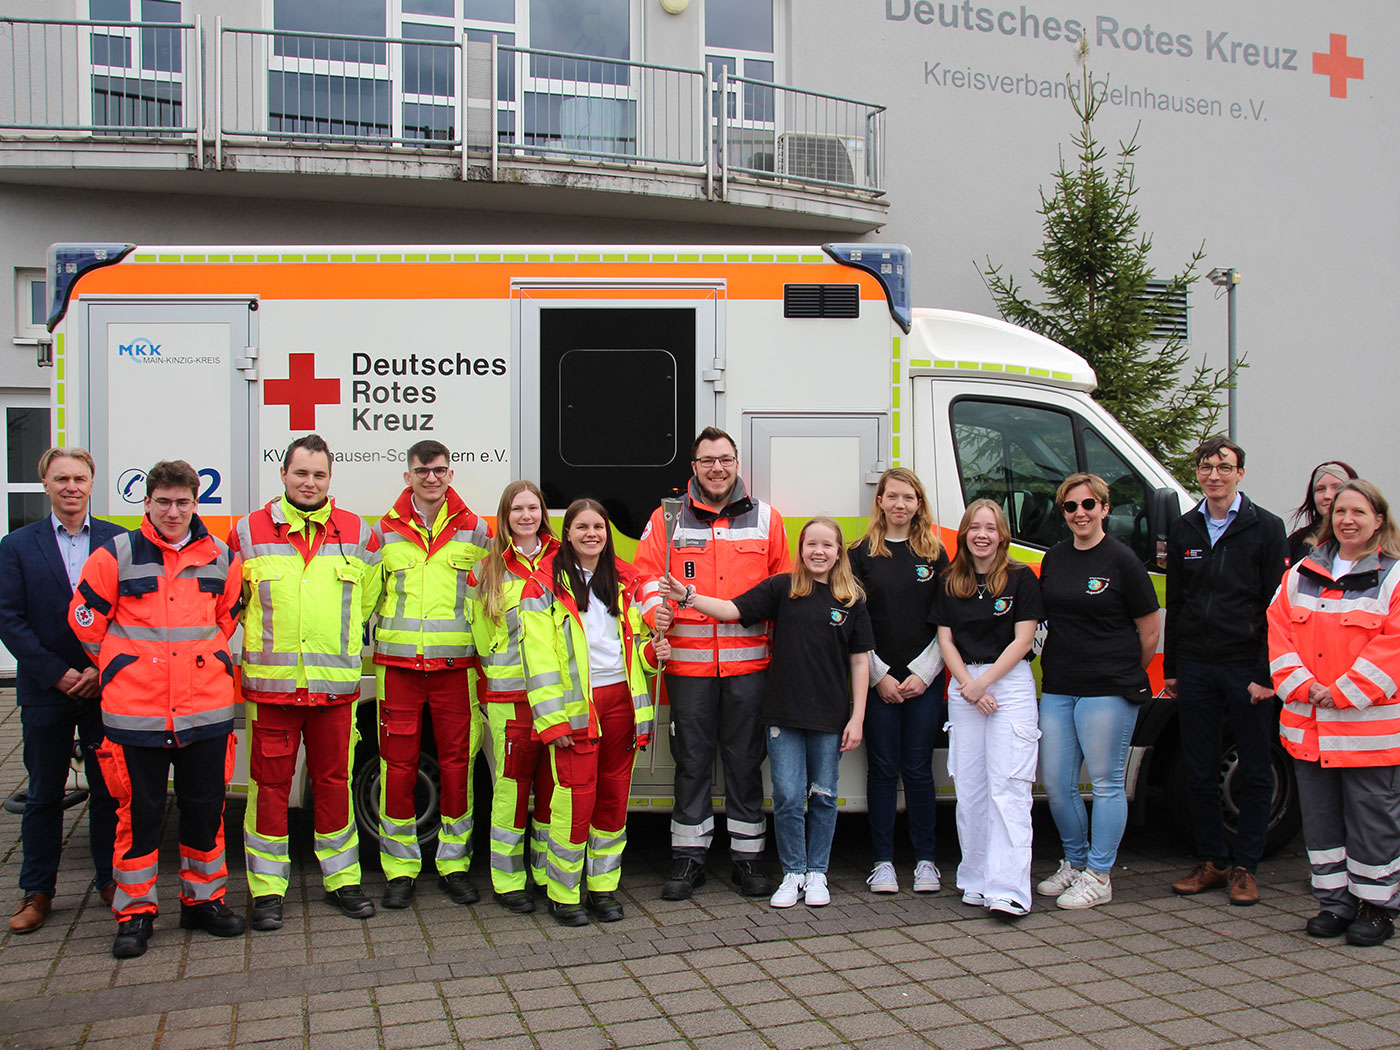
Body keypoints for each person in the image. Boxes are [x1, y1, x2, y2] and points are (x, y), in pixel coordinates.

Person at [69, 460, 244, 959]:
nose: (173, 511)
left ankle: (203, 903)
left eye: (182, 502)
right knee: (139, 817)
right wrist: (124, 665)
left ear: (196, 504)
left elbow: (226, 619)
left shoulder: (221, 558)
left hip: (204, 713)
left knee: (205, 813)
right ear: (146, 503)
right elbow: (85, 623)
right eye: (163, 502)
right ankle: (136, 913)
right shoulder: (115, 555)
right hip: (136, 715)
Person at [669, 517, 872, 908]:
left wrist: (857, 717)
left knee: (825, 796)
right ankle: (793, 872)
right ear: (800, 549)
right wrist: (688, 596)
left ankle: (818, 874)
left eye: (827, 545)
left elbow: (860, 663)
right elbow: (730, 610)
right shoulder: (783, 588)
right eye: (811, 544)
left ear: (839, 552)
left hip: (829, 718)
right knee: (788, 796)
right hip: (782, 715)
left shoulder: (851, 599)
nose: (818, 551)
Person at [229, 434, 382, 931]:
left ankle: (342, 882)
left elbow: (367, 602)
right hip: (272, 691)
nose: (310, 483)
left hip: (334, 690)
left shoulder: (358, 532)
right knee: (269, 790)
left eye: (319, 474)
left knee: (333, 785)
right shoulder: (247, 532)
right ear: (283, 474)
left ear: (330, 478)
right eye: (301, 473)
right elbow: (234, 602)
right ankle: (268, 891)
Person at [634, 427, 791, 901]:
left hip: (750, 669)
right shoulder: (667, 519)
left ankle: (747, 861)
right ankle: (688, 859)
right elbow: (644, 576)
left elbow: (784, 588)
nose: (717, 468)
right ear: (694, 468)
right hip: (688, 669)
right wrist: (650, 611)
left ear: (737, 463)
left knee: (745, 763)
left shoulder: (767, 519)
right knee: (692, 762)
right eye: (708, 461)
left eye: (725, 459)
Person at [1268, 479, 1400, 947]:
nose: (1348, 520)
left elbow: (1393, 646)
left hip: (1367, 732)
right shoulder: (1300, 572)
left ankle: (1376, 907)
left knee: (1372, 819)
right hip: (1310, 725)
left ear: (1378, 520)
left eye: (1359, 513)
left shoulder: (1393, 577)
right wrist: (1305, 687)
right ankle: (1334, 903)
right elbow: (1279, 633)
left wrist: (1340, 690)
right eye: (1341, 512)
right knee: (1322, 822)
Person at [521, 499, 665, 925]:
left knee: (613, 800)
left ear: (607, 532)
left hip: (621, 700)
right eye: (581, 526)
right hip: (575, 706)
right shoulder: (543, 582)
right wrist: (552, 720)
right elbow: (538, 657)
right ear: (566, 533)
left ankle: (603, 888)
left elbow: (638, 646)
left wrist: (653, 653)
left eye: (598, 527)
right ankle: (564, 892)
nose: (591, 534)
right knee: (574, 801)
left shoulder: (625, 578)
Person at [0, 447, 122, 934]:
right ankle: (38, 892)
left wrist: (98, 667)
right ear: (45, 485)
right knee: (44, 795)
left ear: (92, 484)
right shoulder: (17, 545)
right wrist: (57, 673)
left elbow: (130, 615)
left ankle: (111, 880)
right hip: (47, 689)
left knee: (110, 791)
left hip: (105, 686)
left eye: (79, 478)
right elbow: (10, 618)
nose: (71, 487)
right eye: (61, 479)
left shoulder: (118, 541)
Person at [1164, 435, 1288, 906]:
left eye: (1224, 466)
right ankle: (1214, 861)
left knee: (1256, 769)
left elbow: (1276, 607)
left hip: (1246, 667)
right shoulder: (1184, 528)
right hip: (1196, 664)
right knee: (1198, 771)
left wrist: (1266, 673)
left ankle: (1246, 868)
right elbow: (1176, 601)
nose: (1214, 474)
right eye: (1205, 466)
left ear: (1240, 473)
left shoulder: (1266, 527)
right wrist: (1173, 667)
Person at [371, 440, 492, 909]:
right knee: (396, 769)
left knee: (457, 768)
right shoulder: (382, 532)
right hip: (397, 670)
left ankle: (454, 865)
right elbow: (364, 599)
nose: (431, 478)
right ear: (408, 476)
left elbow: (491, 601)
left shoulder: (477, 531)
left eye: (439, 470)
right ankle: (400, 870)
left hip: (455, 670)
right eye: (422, 471)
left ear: (450, 473)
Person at [1036, 474, 1160, 910]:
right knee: (1056, 782)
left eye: (1089, 504)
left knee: (1106, 784)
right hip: (1059, 686)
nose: (1080, 513)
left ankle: (1100, 875)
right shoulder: (1054, 558)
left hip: (1108, 688)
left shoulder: (1122, 560)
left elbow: (1149, 629)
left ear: (1105, 508)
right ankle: (1074, 862)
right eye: (1070, 507)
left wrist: (1121, 671)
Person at [932, 499, 1043, 919]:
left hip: (1007, 686)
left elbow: (1023, 641)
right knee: (972, 790)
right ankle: (976, 880)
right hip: (965, 687)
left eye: (990, 528)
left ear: (1002, 535)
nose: (982, 535)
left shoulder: (1020, 578)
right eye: (974, 527)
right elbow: (946, 641)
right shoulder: (950, 580)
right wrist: (969, 685)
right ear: (963, 534)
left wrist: (983, 684)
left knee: (1009, 789)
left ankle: (1010, 889)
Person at [848, 467, 948, 895]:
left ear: (918, 504)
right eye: (893, 497)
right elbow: (854, 622)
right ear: (880, 502)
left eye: (909, 498)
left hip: (924, 684)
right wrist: (880, 675)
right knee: (883, 769)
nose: (901, 505)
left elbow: (947, 621)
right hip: (878, 684)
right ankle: (883, 861)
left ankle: (926, 861)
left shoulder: (935, 554)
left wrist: (923, 674)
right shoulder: (859, 555)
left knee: (919, 770)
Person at [469, 480, 558, 916]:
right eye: (517, 509)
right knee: (510, 790)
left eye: (533, 508)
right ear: (504, 517)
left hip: (558, 700)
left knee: (552, 788)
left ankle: (544, 873)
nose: (526, 516)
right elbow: (480, 639)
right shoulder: (486, 570)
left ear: (544, 512)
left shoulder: (564, 561)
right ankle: (507, 880)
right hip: (510, 699)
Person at [1286, 461, 1358, 567]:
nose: (1327, 495)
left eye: (1337, 487)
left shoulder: (1368, 538)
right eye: (1320, 489)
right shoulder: (1297, 543)